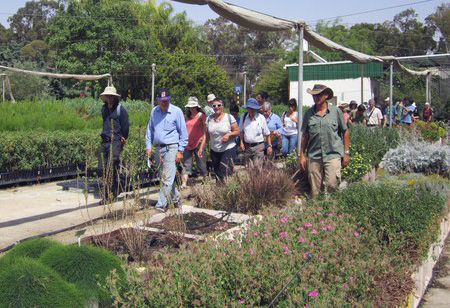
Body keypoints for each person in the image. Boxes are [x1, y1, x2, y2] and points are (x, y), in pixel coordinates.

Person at [299, 84, 350, 198]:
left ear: (326, 96)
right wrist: (302, 155)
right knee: (315, 189)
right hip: (314, 155)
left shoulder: (336, 112)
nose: (316, 98)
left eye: (318, 95)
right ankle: (317, 212)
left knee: (332, 184)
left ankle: (332, 211)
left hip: (333, 154)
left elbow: (345, 132)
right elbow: (305, 135)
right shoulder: (309, 114)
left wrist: (346, 153)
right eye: (314, 95)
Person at [146, 88, 188, 212]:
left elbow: (183, 133)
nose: (164, 103)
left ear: (169, 99)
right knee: (164, 176)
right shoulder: (154, 111)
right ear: (158, 101)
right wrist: (148, 146)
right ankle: (175, 198)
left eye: (166, 100)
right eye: (161, 101)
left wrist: (180, 150)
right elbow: (150, 130)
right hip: (158, 148)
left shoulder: (176, 112)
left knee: (167, 178)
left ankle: (161, 205)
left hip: (172, 147)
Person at [98, 86, 129, 204]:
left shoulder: (121, 110)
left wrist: (123, 138)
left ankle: (109, 195)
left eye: (111, 96)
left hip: (115, 142)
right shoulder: (104, 109)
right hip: (104, 141)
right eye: (107, 96)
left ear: (115, 97)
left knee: (111, 168)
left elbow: (125, 127)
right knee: (102, 168)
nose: (109, 98)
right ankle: (113, 190)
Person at [206, 98, 240, 182]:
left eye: (218, 105)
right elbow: (205, 134)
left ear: (223, 106)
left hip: (228, 148)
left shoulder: (229, 117)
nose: (216, 107)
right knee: (217, 173)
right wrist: (201, 147)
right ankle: (219, 191)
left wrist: (229, 134)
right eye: (214, 106)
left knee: (224, 172)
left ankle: (227, 190)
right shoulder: (208, 119)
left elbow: (237, 131)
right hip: (214, 149)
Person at [181, 97, 208, 189]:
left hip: (198, 142)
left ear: (197, 107)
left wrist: (201, 147)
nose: (191, 109)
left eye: (193, 107)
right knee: (186, 164)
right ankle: (184, 183)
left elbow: (204, 133)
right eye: (190, 107)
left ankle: (205, 178)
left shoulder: (201, 116)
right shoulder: (185, 117)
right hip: (187, 143)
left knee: (201, 163)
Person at [239, 98, 272, 163]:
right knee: (249, 168)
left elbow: (267, 133)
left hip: (258, 146)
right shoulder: (244, 116)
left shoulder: (261, 118)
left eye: (252, 108)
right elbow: (241, 131)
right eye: (249, 108)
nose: (251, 110)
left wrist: (269, 146)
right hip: (247, 146)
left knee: (257, 167)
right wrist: (241, 142)